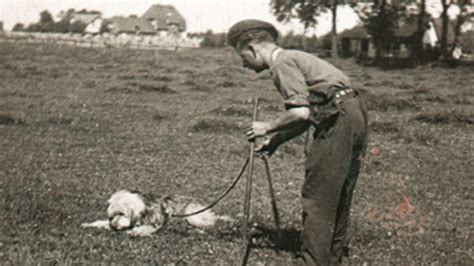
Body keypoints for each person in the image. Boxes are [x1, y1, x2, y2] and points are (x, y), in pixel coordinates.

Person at [227, 19, 368, 265]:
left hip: (338, 120)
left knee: (318, 196)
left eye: (243, 56)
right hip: (353, 113)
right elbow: (306, 117)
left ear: (252, 48)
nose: (244, 64)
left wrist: (266, 126)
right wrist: (275, 141)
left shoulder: (281, 63)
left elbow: (300, 113)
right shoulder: (295, 57)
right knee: (339, 195)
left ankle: (311, 262)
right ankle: (330, 258)